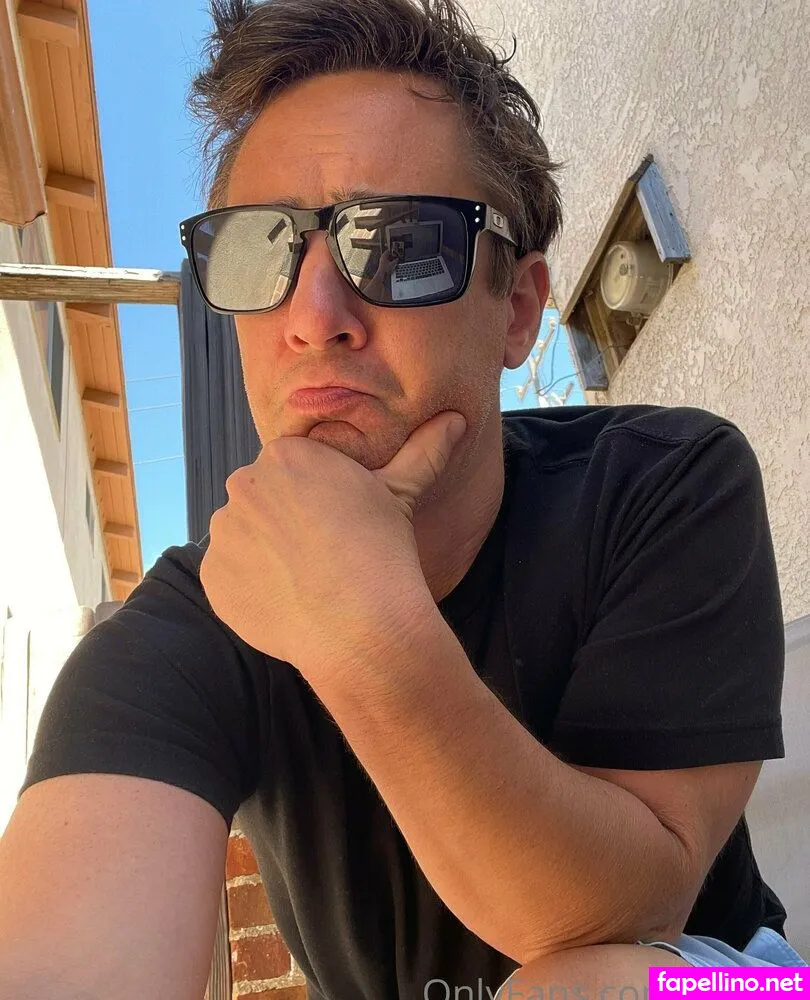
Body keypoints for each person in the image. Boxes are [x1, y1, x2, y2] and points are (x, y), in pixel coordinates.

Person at [0, 1, 805, 998]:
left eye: (397, 243)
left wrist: (363, 632)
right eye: (260, 248)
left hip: (738, 982)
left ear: (517, 310)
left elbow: (626, 917)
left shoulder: (662, 481)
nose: (314, 317)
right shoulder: (189, 628)